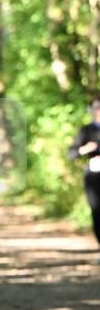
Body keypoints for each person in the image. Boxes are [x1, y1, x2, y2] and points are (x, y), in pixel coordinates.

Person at [68, 96, 100, 257]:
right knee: (97, 211)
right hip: (94, 177)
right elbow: (72, 153)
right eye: (96, 108)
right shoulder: (86, 131)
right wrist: (85, 149)